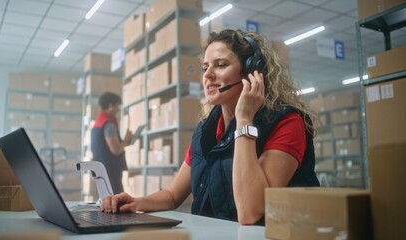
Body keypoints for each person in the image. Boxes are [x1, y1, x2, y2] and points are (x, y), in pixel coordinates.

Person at [100, 29, 320, 225]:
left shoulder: (287, 123)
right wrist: (135, 202)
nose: (207, 75)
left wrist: (244, 120)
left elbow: (251, 213)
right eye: (205, 67)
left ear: (251, 73)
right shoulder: (206, 130)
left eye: (221, 65)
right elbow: (172, 195)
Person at [91, 92, 132, 195]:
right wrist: (127, 139)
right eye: (117, 106)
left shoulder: (98, 122)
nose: (118, 109)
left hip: (102, 168)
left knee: (107, 199)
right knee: (117, 198)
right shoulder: (108, 124)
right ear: (110, 106)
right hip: (110, 170)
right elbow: (116, 150)